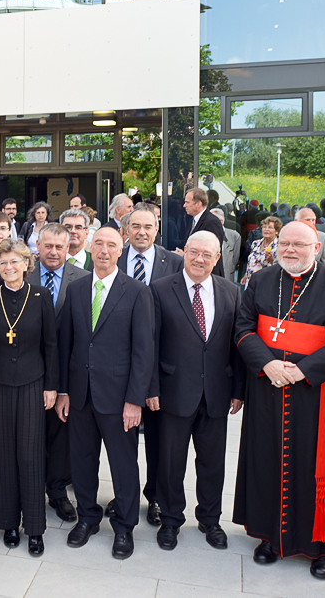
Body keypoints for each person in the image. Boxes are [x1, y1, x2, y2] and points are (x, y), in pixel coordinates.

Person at [233, 221, 325, 580]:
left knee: (313, 468)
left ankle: (322, 548)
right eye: (285, 243)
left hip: (317, 394)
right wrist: (269, 363)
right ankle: (271, 538)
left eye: (299, 245)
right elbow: (243, 328)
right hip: (267, 387)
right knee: (269, 460)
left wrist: (302, 371)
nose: (289, 250)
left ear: (316, 248)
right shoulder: (260, 280)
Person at [56, 227, 154, 560]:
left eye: (111, 245)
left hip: (118, 399)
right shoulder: (78, 287)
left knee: (123, 465)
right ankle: (87, 518)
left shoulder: (137, 292)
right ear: (88, 246)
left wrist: (134, 400)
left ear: (120, 249)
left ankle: (124, 528)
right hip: (81, 395)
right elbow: (67, 344)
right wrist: (65, 392)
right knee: (82, 462)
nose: (104, 250)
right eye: (99, 243)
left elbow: (144, 351)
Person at [148, 231, 245, 551]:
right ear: (184, 252)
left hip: (217, 392)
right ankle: (171, 519)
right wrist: (152, 388)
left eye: (208, 254)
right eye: (194, 252)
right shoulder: (161, 289)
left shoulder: (232, 291)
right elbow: (149, 343)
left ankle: (210, 518)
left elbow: (238, 344)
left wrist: (238, 390)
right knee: (171, 461)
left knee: (213, 462)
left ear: (218, 258)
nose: (200, 259)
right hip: (173, 392)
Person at [0, 239, 58, 557]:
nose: (9, 268)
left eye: (15, 262)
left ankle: (34, 527)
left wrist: (52, 386)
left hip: (33, 384)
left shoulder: (41, 296)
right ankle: (8, 521)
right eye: (3, 263)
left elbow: (50, 344)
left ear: (26, 263)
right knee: (1, 455)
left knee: (30, 455)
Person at [113, 205, 184, 526]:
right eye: (135, 226)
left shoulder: (176, 262)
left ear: (157, 229)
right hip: (116, 368)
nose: (142, 231)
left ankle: (154, 496)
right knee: (121, 439)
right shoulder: (111, 257)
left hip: (160, 370)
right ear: (125, 229)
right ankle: (122, 494)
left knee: (157, 440)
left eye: (148, 226)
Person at [27, 223, 88, 523]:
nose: (53, 252)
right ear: (37, 245)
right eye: (47, 246)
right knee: (29, 434)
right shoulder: (20, 274)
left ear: (69, 248)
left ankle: (58, 491)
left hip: (67, 373)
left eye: (59, 247)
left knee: (61, 435)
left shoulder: (85, 280)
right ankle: (30, 488)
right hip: (26, 372)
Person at [181, 188, 225, 276]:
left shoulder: (212, 222)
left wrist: (184, 254)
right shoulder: (192, 220)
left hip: (208, 275)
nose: (184, 205)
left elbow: (212, 251)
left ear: (198, 204)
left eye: (187, 202)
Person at [241, 216, 282, 286]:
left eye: (270, 227)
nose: (266, 229)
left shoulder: (279, 246)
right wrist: (245, 275)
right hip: (250, 281)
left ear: (277, 231)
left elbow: (281, 268)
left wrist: (272, 260)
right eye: (264, 227)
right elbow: (251, 261)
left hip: (265, 283)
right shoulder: (256, 243)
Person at [211, 208, 241, 281]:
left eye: (212, 221)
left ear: (221, 221)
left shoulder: (234, 236)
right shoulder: (204, 235)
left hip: (226, 276)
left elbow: (235, 259)